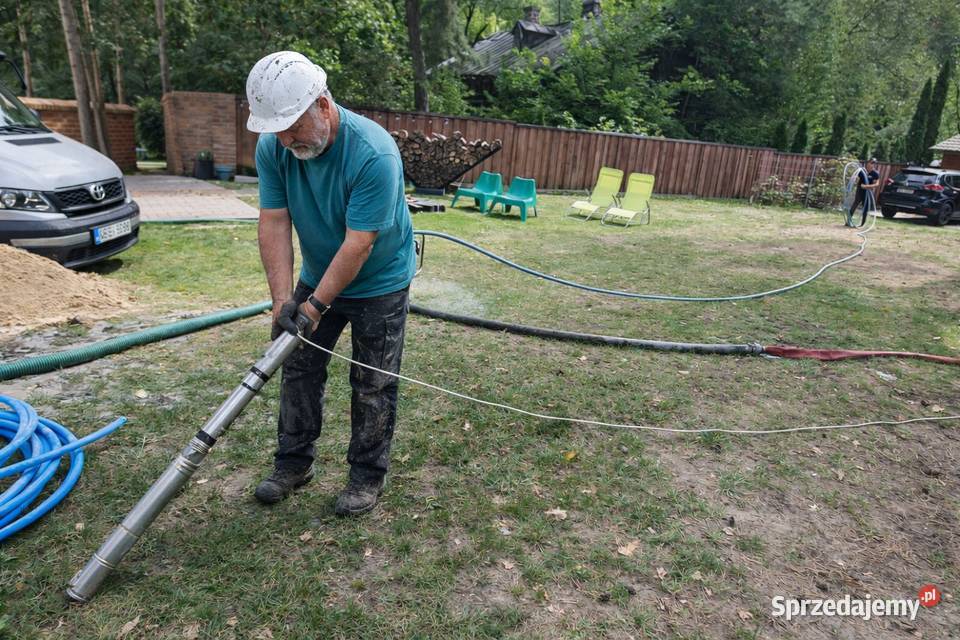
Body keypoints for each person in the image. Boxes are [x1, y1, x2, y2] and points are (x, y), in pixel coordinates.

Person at [245, 51, 416, 515]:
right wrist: (283, 302)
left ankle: (365, 476)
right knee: (296, 366)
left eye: (293, 127)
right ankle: (293, 463)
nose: (285, 139)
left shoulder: (373, 152)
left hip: (380, 280)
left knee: (373, 381)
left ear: (323, 105)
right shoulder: (275, 147)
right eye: (276, 130)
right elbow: (274, 222)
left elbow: (358, 244)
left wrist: (315, 307)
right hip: (318, 273)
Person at [846, 158, 881, 227]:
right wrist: (854, 183)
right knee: (855, 204)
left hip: (868, 192)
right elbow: (855, 179)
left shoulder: (875, 173)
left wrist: (866, 186)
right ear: (867, 163)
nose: (872, 165)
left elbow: (876, 184)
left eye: (874, 163)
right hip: (860, 190)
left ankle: (862, 224)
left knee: (865, 207)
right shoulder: (861, 171)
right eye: (871, 163)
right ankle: (848, 222)